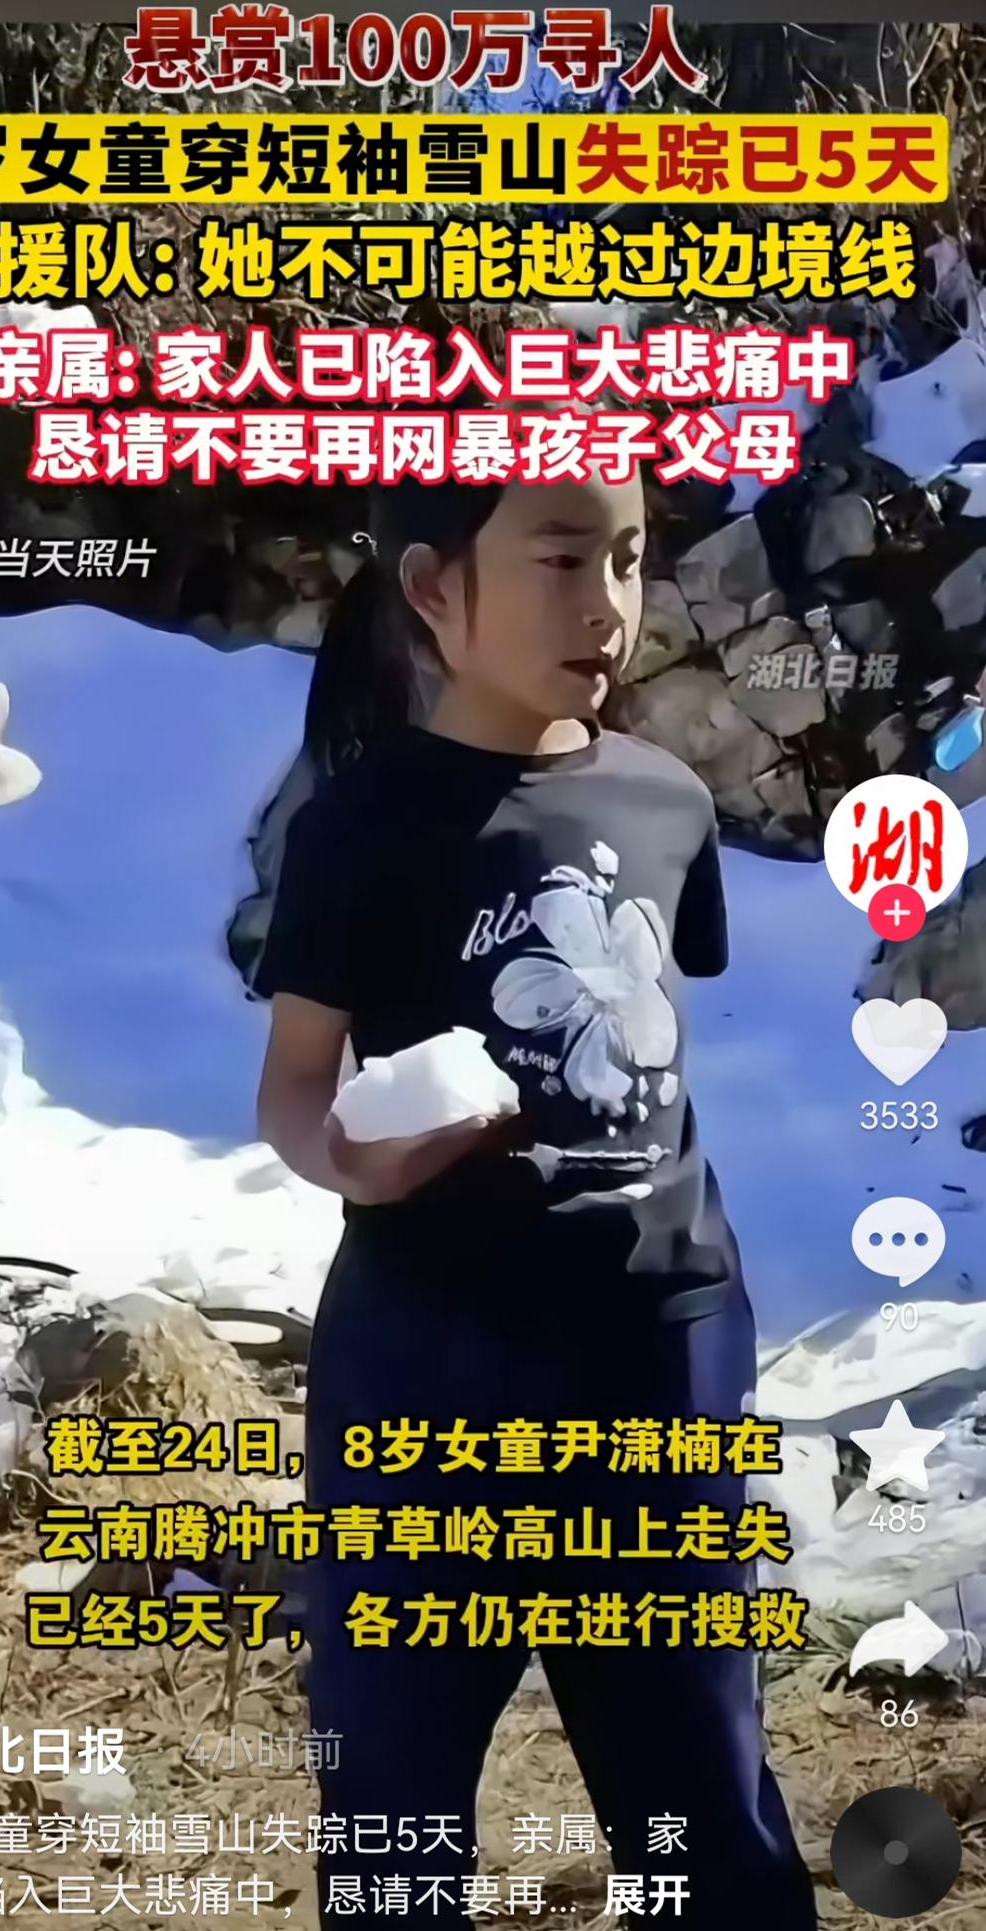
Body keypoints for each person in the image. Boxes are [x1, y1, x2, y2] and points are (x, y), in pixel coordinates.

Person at [253, 427, 818, 1929]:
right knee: (395, 1794)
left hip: (662, 1349)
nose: (607, 605)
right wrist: (351, 1163)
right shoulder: (359, 826)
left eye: (628, 558)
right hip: (432, 1362)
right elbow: (294, 1091)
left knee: (699, 1780)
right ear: (435, 590)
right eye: (561, 559)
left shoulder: (664, 801)